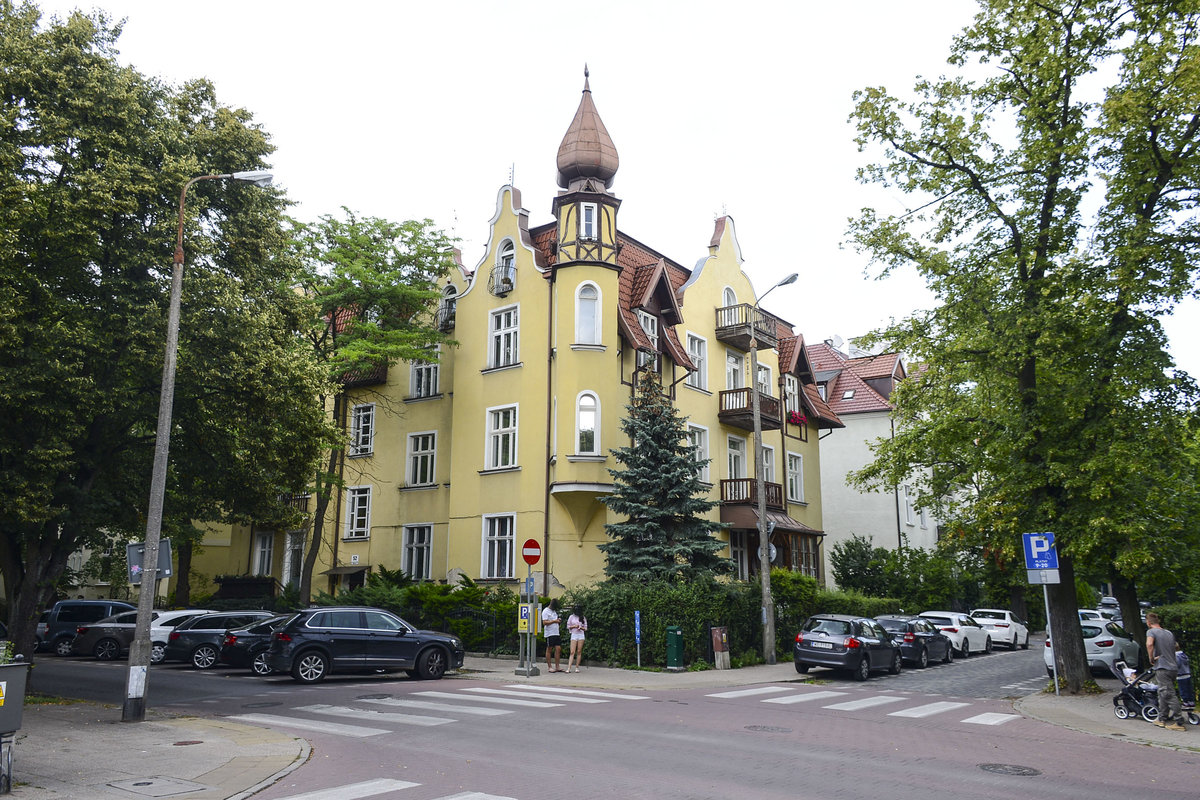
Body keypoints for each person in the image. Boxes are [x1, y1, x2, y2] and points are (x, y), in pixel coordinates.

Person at [1145, 612, 1186, 731]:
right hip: (1173, 667)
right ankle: (1161, 719)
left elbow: (1149, 644)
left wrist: (1151, 658)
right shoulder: (1168, 633)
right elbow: (1176, 646)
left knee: (1168, 694)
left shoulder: (1151, 632)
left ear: (1149, 622)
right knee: (1163, 693)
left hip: (1162, 667)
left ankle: (1179, 722)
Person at [541, 599, 562, 673]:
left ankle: (557, 666)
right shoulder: (545, 611)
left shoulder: (554, 611)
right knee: (549, 649)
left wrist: (558, 620)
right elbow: (544, 622)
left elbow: (555, 620)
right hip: (550, 633)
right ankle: (549, 667)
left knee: (558, 649)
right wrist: (554, 621)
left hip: (556, 632)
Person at [565, 606, 587, 673]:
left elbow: (585, 628)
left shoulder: (583, 617)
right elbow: (568, 626)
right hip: (574, 634)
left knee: (579, 651)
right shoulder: (571, 617)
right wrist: (574, 626)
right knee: (572, 651)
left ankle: (577, 667)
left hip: (581, 634)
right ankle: (569, 667)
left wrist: (581, 628)